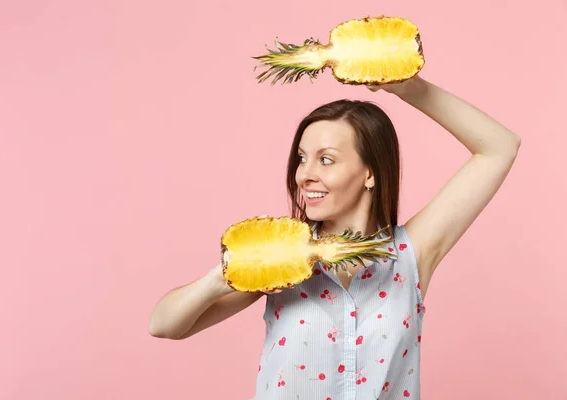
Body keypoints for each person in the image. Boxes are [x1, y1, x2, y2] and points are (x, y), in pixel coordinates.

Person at [149, 75, 521, 399]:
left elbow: (499, 147)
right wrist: (229, 271)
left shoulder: (411, 255)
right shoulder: (283, 261)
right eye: (302, 158)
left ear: (370, 174)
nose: (303, 175)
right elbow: (164, 324)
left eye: (326, 159)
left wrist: (410, 88)